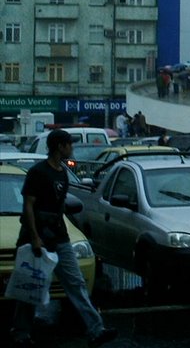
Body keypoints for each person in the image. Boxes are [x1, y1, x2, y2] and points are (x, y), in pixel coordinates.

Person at [10, 129, 118, 348]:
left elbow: (59, 207)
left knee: (76, 283)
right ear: (60, 146)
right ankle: (21, 333)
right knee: (32, 286)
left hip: (60, 237)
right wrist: (34, 237)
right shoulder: (38, 173)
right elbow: (28, 206)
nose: (72, 149)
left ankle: (96, 330)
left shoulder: (62, 172)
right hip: (37, 239)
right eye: (70, 144)